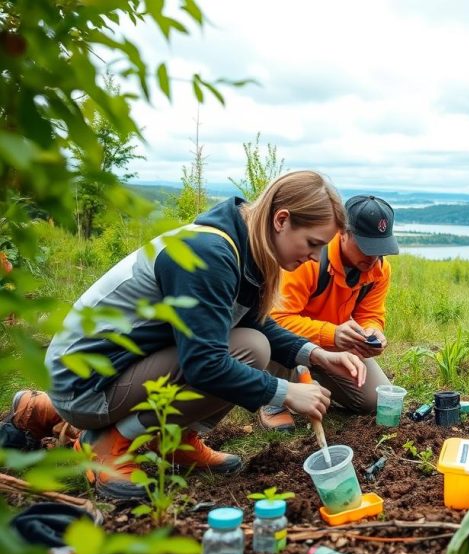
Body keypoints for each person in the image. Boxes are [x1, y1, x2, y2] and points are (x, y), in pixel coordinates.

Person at [9, 171, 367, 500]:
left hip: (106, 370)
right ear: (281, 220)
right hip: (85, 385)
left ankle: (171, 438)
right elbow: (204, 365)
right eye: (313, 243)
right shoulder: (210, 255)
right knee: (248, 351)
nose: (315, 257)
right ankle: (108, 444)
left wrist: (316, 355)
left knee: (250, 341)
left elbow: (253, 320)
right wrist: (285, 391)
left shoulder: (244, 245)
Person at [259, 195, 399, 430]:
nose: (373, 257)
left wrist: (372, 331)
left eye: (379, 248)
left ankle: (312, 383)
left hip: (336, 341)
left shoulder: (379, 270)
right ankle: (274, 400)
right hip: (291, 341)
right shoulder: (308, 259)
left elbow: (371, 312)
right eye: (366, 247)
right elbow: (276, 319)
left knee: (374, 401)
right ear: (343, 232)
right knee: (270, 334)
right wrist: (331, 333)